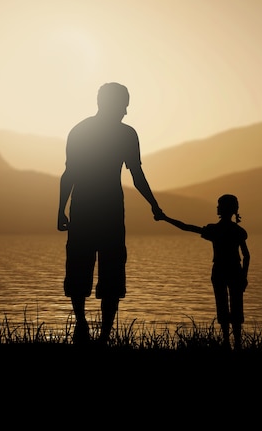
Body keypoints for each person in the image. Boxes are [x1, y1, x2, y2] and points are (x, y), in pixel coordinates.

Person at [57, 82, 164, 345]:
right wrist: (154, 205)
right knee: (107, 270)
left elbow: (69, 173)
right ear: (110, 103)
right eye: (124, 104)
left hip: (88, 209)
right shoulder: (125, 134)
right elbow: (136, 175)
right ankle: (93, 331)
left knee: (92, 269)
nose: (126, 111)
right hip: (106, 211)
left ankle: (90, 330)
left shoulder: (80, 131)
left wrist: (60, 209)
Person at [159, 194, 250, 349]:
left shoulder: (214, 230)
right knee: (236, 307)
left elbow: (187, 227)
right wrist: (243, 275)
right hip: (235, 270)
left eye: (219, 205)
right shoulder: (238, 231)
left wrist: (165, 218)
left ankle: (227, 343)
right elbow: (246, 256)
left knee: (222, 306)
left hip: (220, 270)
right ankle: (238, 343)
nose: (217, 207)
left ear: (223, 209)